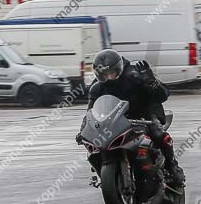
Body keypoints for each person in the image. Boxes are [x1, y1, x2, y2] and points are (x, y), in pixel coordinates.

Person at [76, 49, 185, 185]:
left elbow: (163, 95)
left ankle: (172, 166)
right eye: (104, 75)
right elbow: (90, 113)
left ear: (119, 69)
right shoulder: (96, 88)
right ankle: (105, 177)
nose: (108, 78)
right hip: (115, 123)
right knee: (95, 146)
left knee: (158, 134)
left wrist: (151, 82)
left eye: (111, 73)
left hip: (144, 116)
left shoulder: (135, 76)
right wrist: (83, 130)